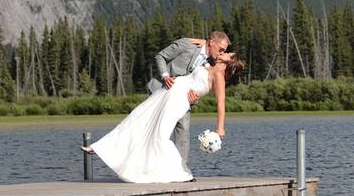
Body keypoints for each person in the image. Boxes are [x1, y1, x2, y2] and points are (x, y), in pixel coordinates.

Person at [83, 52, 245, 183]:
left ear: (230, 61)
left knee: (160, 134)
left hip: (179, 100)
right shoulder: (209, 65)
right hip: (168, 92)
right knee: (139, 116)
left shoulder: (219, 77)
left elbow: (221, 103)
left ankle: (176, 172)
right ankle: (100, 147)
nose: (224, 52)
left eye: (228, 53)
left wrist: (220, 128)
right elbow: (203, 46)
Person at [150, 31, 231, 173]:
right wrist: (165, 76)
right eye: (221, 49)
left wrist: (194, 99)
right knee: (153, 130)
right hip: (161, 90)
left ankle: (181, 171)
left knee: (183, 131)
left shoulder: (210, 62)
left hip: (182, 100)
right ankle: (149, 166)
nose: (221, 53)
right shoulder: (187, 44)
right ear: (211, 42)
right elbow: (160, 56)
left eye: (224, 51)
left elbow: (198, 84)